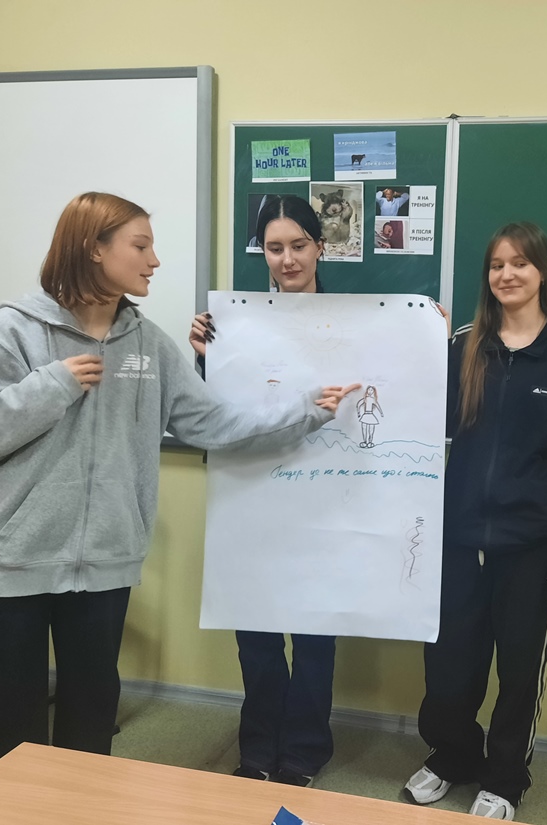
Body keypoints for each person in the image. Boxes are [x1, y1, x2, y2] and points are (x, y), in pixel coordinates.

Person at [0, 192, 357, 778]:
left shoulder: (148, 344)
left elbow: (213, 423)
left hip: (105, 567)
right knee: (7, 734)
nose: (155, 260)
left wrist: (308, 409)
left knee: (90, 727)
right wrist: (50, 387)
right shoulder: (14, 330)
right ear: (94, 249)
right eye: (141, 246)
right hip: (12, 565)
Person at [403, 222, 547, 820]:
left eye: (520, 263)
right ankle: (453, 755)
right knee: (448, 668)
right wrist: (422, 345)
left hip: (532, 549)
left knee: (519, 674)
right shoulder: (464, 344)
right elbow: (419, 416)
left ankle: (506, 777)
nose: (507, 274)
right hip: (458, 542)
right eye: (496, 265)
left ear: (543, 271)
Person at [190, 194, 342, 787]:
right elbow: (212, 412)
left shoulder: (358, 320)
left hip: (324, 501)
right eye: (275, 248)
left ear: (320, 247)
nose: (288, 260)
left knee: (314, 636)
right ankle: (257, 746)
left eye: (299, 245)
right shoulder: (236, 325)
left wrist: (421, 332)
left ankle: (304, 750)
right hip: (250, 496)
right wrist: (206, 359)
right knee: (254, 631)